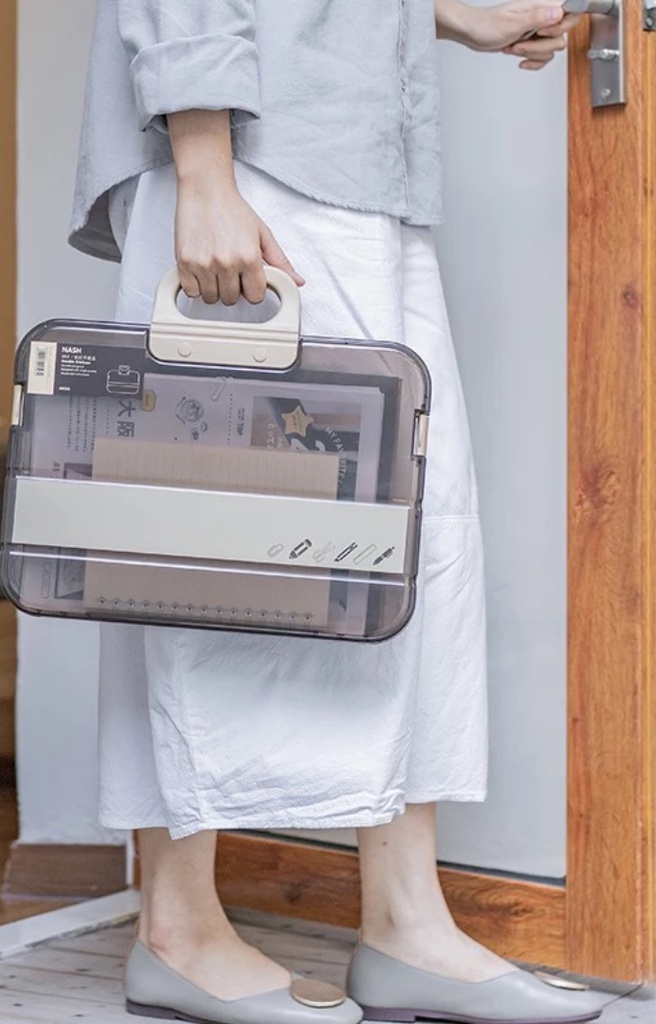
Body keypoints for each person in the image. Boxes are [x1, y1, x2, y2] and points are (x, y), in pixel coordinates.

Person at [70, 4, 602, 1023]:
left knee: (399, 532)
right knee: (209, 532)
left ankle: (405, 921)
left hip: (355, 158)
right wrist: (203, 168)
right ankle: (178, 929)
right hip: (260, 155)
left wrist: (441, 13)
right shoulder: (224, 163)